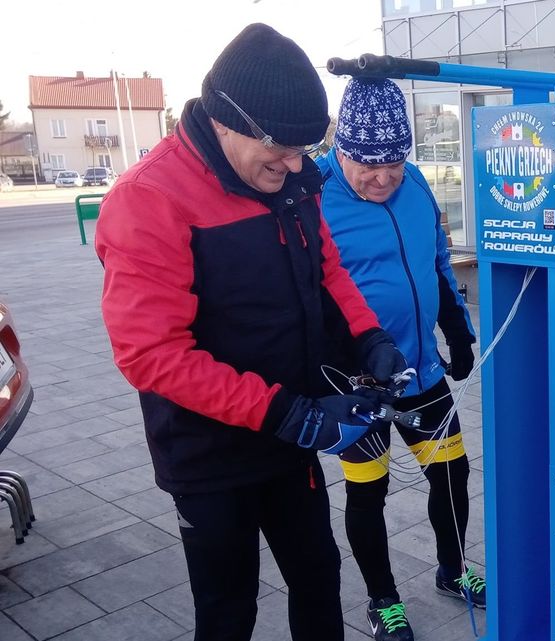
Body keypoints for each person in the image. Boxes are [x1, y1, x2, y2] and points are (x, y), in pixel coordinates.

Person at [95, 24, 407, 641]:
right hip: (208, 451)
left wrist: (369, 339)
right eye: (282, 150)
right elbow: (149, 354)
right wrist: (286, 414)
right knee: (228, 605)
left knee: (319, 575)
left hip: (290, 433)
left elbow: (326, 271)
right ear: (228, 121)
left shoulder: (289, 179)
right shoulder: (149, 199)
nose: (296, 166)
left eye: (303, 151)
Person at [316, 77, 483, 641]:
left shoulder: (414, 183)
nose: (383, 177)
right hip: (357, 380)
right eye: (368, 165)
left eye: (393, 162)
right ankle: (382, 599)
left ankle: (454, 569)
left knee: (452, 474)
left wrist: (457, 329)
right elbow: (305, 291)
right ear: (341, 148)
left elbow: (436, 260)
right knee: (369, 492)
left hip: (422, 369)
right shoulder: (312, 193)